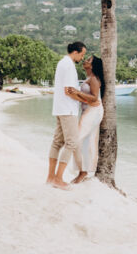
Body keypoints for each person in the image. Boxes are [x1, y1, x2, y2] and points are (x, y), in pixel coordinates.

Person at [46, 41, 86, 190]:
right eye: (82, 54)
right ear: (75, 52)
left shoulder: (62, 63)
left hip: (59, 108)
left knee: (57, 142)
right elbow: (68, 90)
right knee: (71, 143)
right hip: (68, 110)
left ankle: (50, 177)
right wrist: (84, 100)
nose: (82, 58)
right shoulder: (69, 65)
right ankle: (58, 179)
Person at [66, 55, 105, 184]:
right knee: (86, 141)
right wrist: (75, 95)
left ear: (92, 66)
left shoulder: (93, 79)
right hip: (89, 110)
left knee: (78, 139)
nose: (85, 61)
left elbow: (94, 97)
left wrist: (77, 92)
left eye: (88, 60)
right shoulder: (89, 78)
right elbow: (87, 98)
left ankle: (83, 172)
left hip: (93, 111)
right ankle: (84, 172)